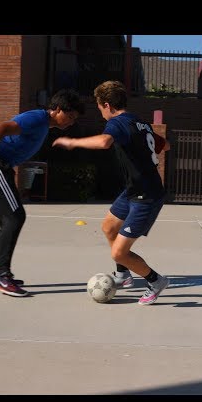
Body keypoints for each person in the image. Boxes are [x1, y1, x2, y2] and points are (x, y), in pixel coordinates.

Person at [53, 80, 170, 305]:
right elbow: (165, 145)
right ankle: (123, 275)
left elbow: (105, 142)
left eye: (99, 108)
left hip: (147, 195)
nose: (101, 113)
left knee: (119, 253)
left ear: (107, 105)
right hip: (133, 190)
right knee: (108, 227)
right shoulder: (139, 122)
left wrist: (72, 142)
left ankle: (155, 281)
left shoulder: (117, 123)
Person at [0, 89, 85, 296]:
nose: (71, 122)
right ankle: (0, 275)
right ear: (57, 109)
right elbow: (1, 128)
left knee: (9, 219)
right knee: (14, 217)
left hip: (0, 165)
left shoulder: (44, 126)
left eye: (74, 119)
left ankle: (0, 273)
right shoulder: (37, 118)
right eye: (70, 116)